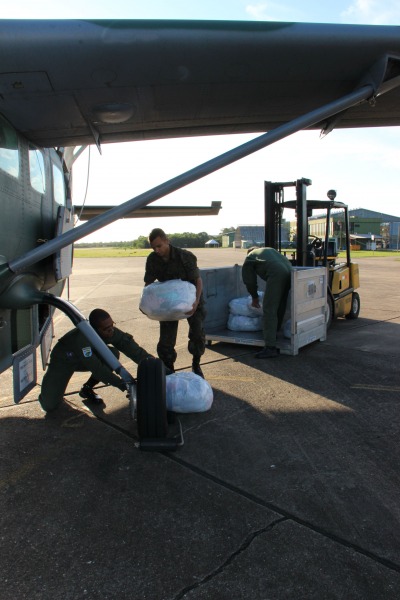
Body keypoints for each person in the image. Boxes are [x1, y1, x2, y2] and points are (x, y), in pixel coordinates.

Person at [38, 308, 153, 412]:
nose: (111, 331)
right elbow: (97, 368)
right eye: (106, 329)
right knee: (49, 405)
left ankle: (87, 389)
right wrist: (123, 385)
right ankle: (49, 389)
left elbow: (133, 349)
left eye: (112, 325)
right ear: (95, 330)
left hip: (85, 359)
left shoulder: (108, 330)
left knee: (112, 354)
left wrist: (157, 366)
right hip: (64, 361)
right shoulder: (82, 339)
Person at [144, 228, 206, 378]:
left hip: (191, 298)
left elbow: (198, 280)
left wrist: (196, 302)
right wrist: (146, 303)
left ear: (167, 241)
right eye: (153, 247)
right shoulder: (152, 259)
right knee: (166, 339)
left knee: (197, 334)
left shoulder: (185, 256)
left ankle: (196, 364)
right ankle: (169, 369)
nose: (156, 250)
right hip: (169, 301)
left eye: (159, 246)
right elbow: (148, 284)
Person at [242, 247, 292, 358]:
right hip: (289, 270)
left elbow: (249, 280)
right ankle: (273, 333)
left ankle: (270, 347)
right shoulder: (268, 251)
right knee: (280, 304)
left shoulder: (250, 257)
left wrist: (254, 297)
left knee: (269, 309)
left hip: (277, 273)